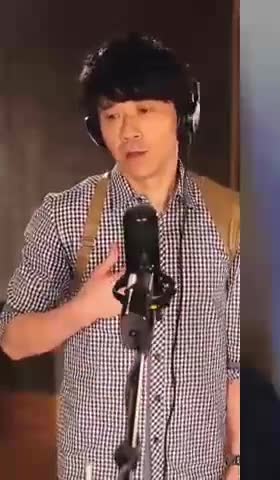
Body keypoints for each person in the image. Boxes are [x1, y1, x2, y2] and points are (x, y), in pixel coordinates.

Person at [0, 32, 240, 480]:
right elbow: (12, 340)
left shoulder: (229, 218)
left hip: (196, 469)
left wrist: (238, 461)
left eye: (144, 110)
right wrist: (83, 309)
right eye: (112, 116)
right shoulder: (64, 216)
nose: (128, 131)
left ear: (182, 114)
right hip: (97, 469)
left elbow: (236, 364)